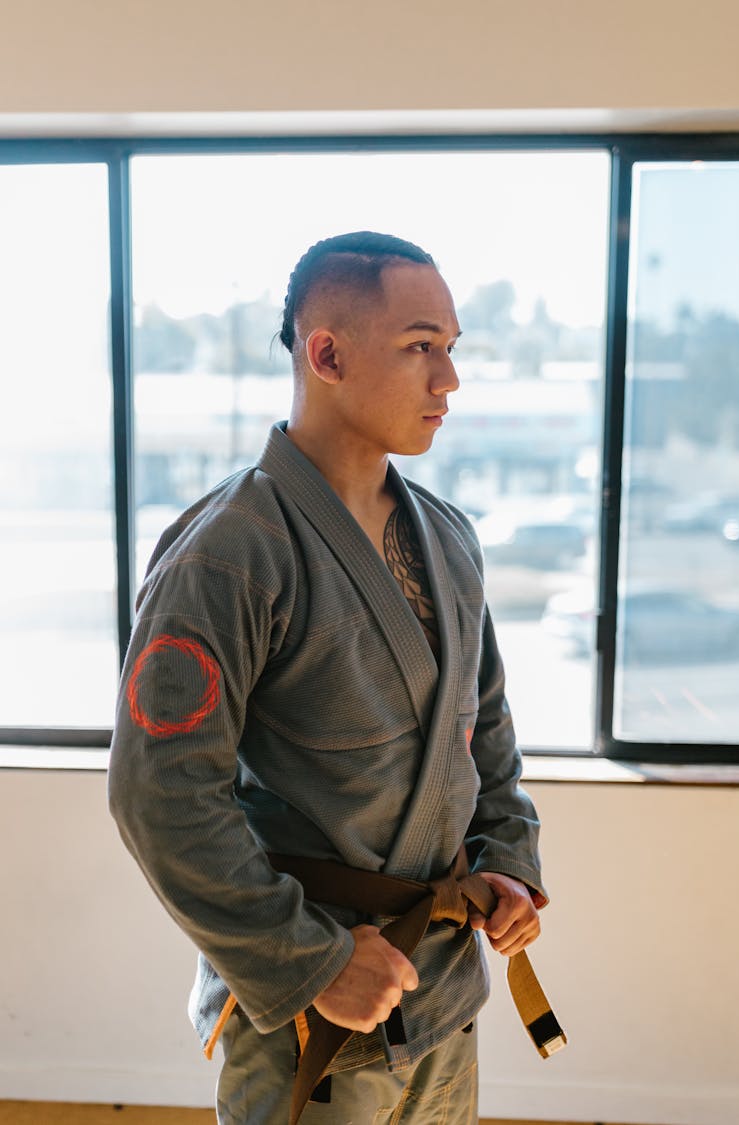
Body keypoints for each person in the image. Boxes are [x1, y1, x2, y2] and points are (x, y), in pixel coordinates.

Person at [108, 231, 549, 1125]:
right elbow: (161, 796)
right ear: (328, 353)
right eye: (421, 346)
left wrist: (505, 859)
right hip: (315, 1005)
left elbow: (486, 728)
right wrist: (306, 957)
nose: (448, 380)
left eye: (451, 349)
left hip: (443, 992)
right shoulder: (229, 553)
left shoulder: (449, 535)